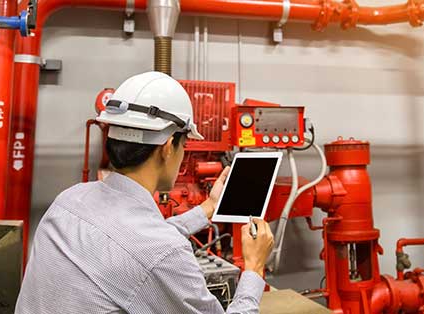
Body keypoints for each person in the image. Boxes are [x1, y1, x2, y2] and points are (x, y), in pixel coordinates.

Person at [16, 71, 274, 314]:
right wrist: (253, 268)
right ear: (168, 147)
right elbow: (149, 250)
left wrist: (207, 208)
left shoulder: (70, 200)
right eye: (184, 144)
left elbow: (132, 242)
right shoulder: (160, 253)